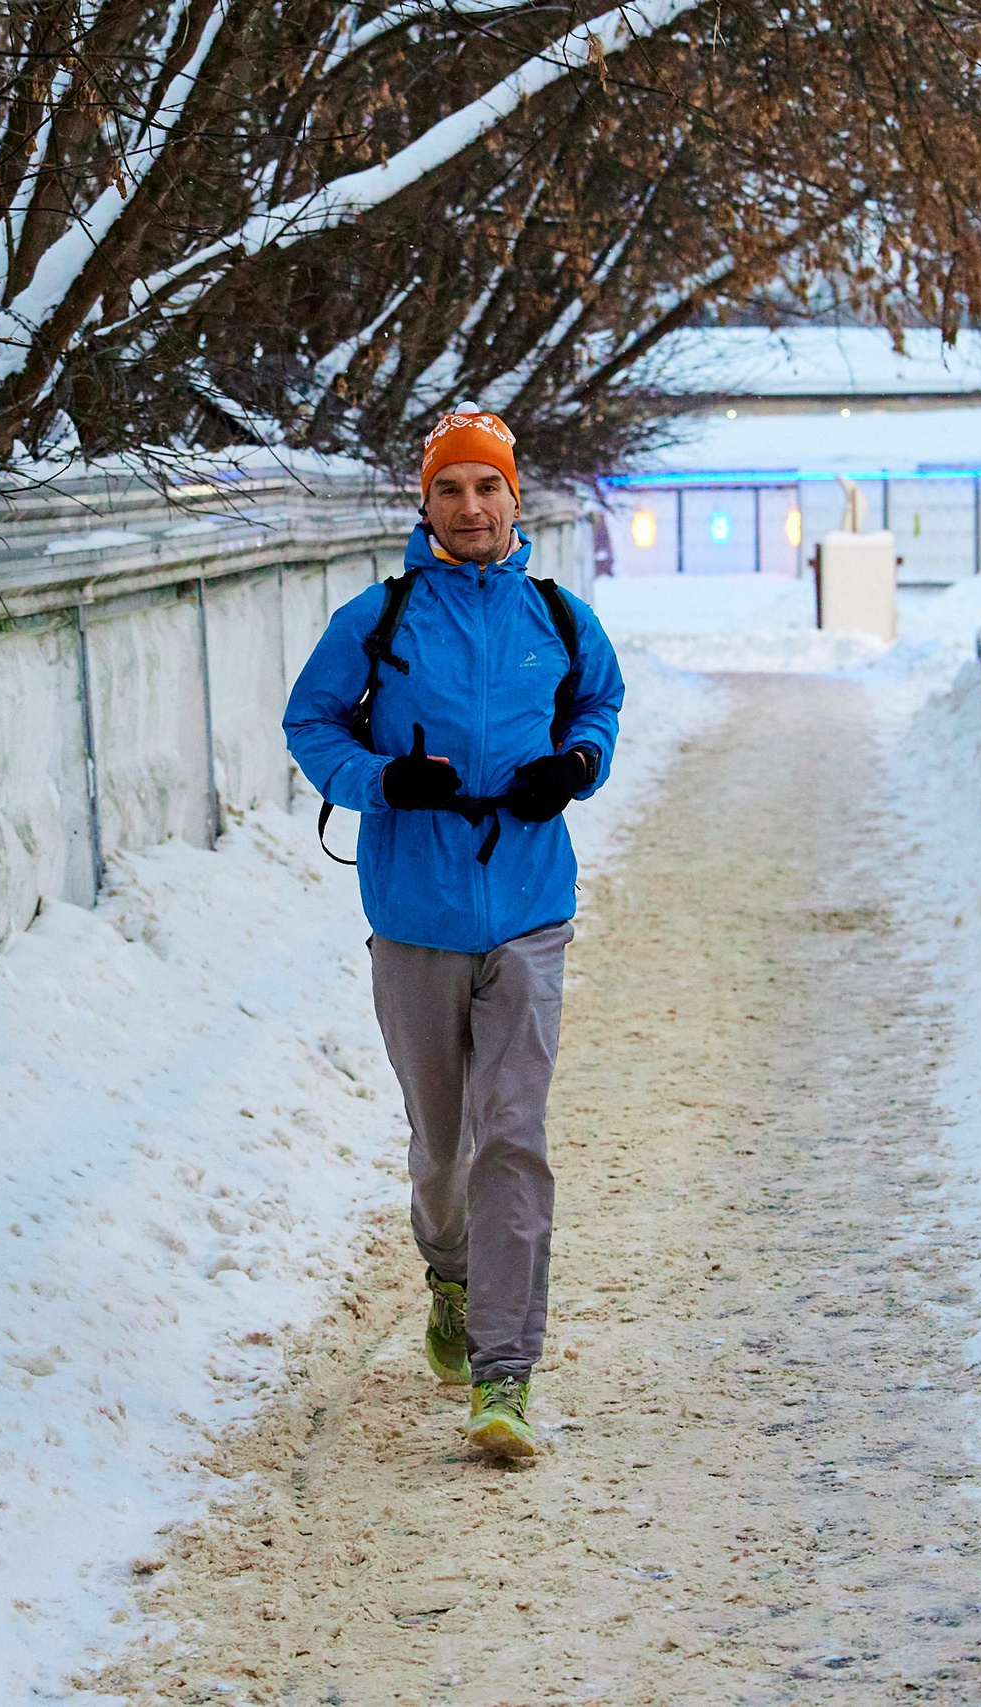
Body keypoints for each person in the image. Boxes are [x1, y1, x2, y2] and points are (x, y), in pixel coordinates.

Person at [283, 406, 625, 1459]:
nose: (470, 508)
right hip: (416, 918)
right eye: (449, 489)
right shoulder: (375, 622)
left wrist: (573, 767)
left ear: (515, 500)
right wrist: (381, 778)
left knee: (512, 1140)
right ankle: (446, 1269)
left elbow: (597, 708)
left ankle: (504, 1376)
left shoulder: (559, 618)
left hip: (528, 914)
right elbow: (311, 726)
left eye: (487, 488)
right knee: (444, 1149)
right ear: (423, 504)